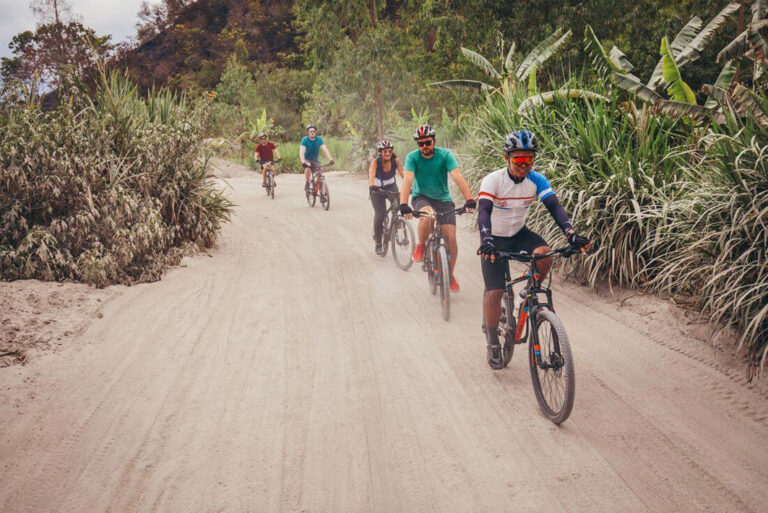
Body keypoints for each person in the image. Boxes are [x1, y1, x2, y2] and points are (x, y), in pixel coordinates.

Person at [476, 130, 590, 370]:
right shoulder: (493, 180)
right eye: (518, 159)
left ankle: (526, 294)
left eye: (529, 159)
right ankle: (493, 342)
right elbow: (484, 211)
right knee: (495, 292)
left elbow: (554, 207)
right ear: (506, 158)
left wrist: (571, 235)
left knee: (545, 254)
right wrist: (486, 240)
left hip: (518, 234)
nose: (524, 164)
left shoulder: (537, 179)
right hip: (494, 239)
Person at [399, 125, 476, 292]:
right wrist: (404, 204)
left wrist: (469, 199)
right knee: (427, 216)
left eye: (427, 142)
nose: (424, 146)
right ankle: (420, 245)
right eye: (421, 144)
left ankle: (449, 273)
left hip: (443, 199)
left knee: (452, 238)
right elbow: (408, 179)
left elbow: (457, 176)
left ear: (434, 141)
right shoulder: (412, 158)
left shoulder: (445, 155)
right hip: (422, 197)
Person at [369, 140, 404, 254]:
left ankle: (400, 233)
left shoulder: (395, 160)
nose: (388, 153)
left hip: (391, 186)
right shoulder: (375, 162)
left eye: (389, 151)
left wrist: (412, 186)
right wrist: (372, 186)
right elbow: (371, 175)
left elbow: (404, 175)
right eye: (385, 151)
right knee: (380, 214)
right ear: (380, 152)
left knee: (399, 206)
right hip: (377, 189)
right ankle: (378, 243)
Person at [299, 124, 334, 192]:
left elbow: (325, 149)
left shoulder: (319, 139)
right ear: (308, 132)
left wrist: (331, 159)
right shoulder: (305, 140)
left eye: (313, 131)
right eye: (310, 131)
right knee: (308, 167)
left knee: (320, 176)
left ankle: (322, 193)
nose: (312, 132)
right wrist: (303, 162)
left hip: (315, 160)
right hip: (307, 159)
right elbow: (301, 152)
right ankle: (307, 182)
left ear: (315, 132)